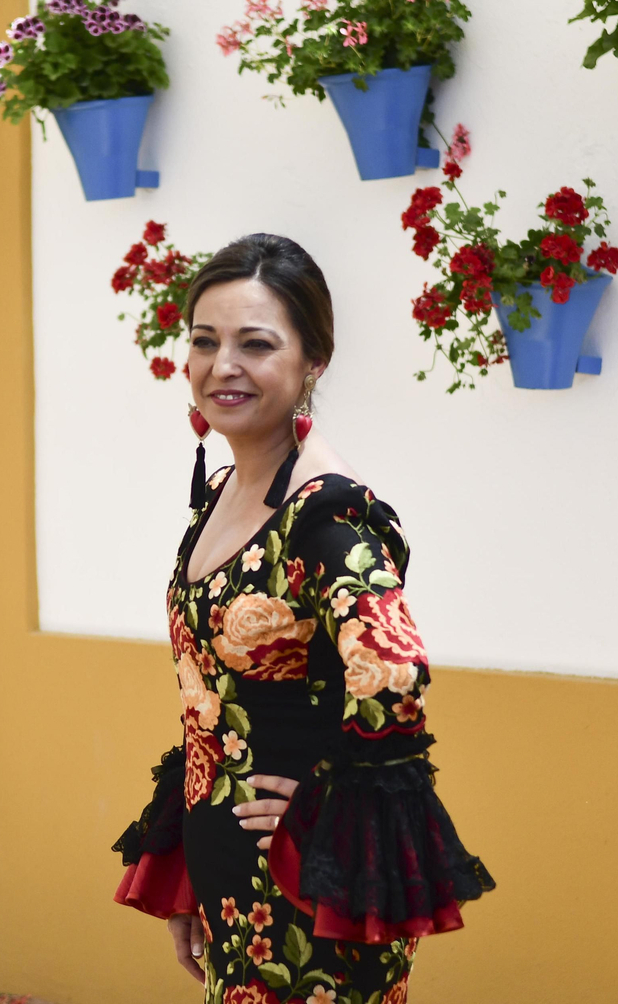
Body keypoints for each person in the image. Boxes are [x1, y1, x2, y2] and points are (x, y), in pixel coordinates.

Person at [112, 234, 494, 1003]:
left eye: (256, 343)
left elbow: (392, 671)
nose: (224, 365)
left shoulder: (327, 515)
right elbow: (212, 694)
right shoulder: (222, 491)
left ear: (312, 360)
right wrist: (188, 861)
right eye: (206, 341)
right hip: (231, 873)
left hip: (305, 880)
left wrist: (323, 794)